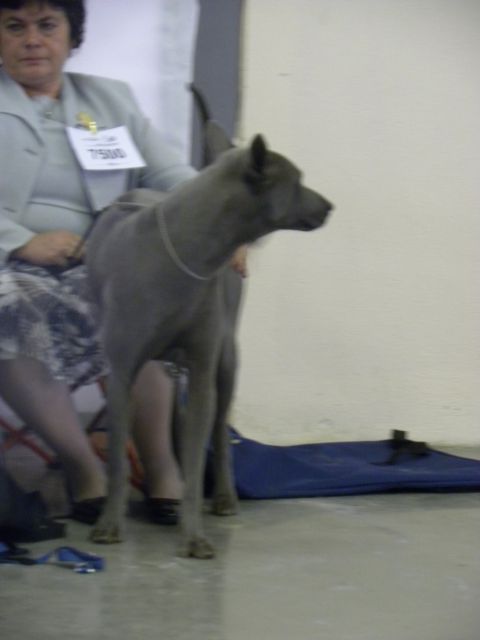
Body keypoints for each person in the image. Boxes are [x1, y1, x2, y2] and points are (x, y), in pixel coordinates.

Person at [0, 0, 245, 525]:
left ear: (71, 36)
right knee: (7, 308)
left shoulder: (108, 99)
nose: (32, 40)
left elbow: (175, 178)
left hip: (101, 261)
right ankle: (84, 467)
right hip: (9, 265)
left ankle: (162, 470)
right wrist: (19, 241)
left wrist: (227, 227)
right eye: (14, 27)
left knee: (145, 299)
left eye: (47, 26)